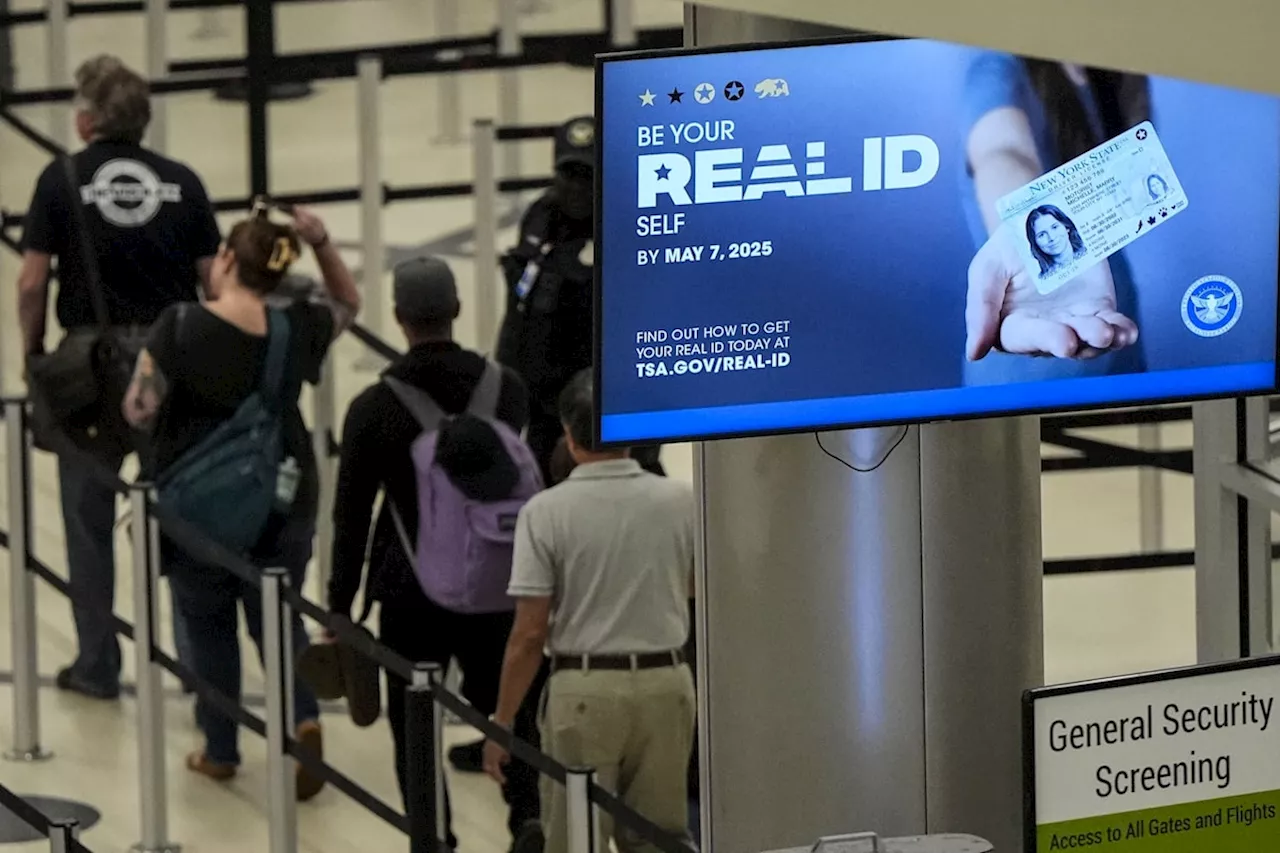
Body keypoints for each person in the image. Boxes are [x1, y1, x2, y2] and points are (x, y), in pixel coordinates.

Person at [122, 203, 360, 799]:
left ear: (226, 259)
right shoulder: (299, 325)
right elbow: (349, 304)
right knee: (276, 613)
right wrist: (323, 241)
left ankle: (221, 747)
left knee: (209, 627)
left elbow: (139, 408)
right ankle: (302, 715)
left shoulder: (179, 326)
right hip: (284, 494)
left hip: (200, 508)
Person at [15, 54, 221, 700]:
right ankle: (197, 666)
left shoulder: (60, 180)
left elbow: (30, 280)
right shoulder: (183, 182)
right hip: (169, 360)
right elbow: (215, 280)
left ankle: (99, 663)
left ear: (85, 121)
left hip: (89, 371)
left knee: (87, 517)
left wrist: (33, 351)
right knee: (183, 509)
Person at [326, 257, 543, 845]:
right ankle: (527, 815)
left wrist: (338, 609)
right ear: (457, 311)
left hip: (410, 589)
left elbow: (351, 517)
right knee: (513, 708)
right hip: (499, 581)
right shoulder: (507, 391)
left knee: (414, 725)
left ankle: (434, 837)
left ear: (398, 318)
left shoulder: (374, 409)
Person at [484, 369, 697, 853]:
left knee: (575, 837)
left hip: (584, 689)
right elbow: (690, 589)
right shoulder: (680, 501)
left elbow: (529, 634)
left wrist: (502, 720)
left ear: (568, 433)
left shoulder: (547, 511)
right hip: (666, 682)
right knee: (661, 838)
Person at [962, 56, 1145, 374]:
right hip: (1035, 358)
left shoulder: (1103, 81)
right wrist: (1021, 233)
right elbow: (1003, 152)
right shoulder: (996, 71)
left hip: (1112, 332)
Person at [496, 116, 597, 482]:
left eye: (587, 176)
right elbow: (520, 306)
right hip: (541, 400)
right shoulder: (541, 216)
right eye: (568, 174)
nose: (576, 188)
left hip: (596, 406)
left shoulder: (624, 223)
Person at [1025, 204, 1086, 277]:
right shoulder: (1043, 280)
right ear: (1035, 243)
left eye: (1055, 227)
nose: (1052, 238)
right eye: (1042, 235)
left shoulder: (1089, 254)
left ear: (1067, 227)